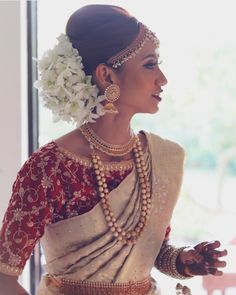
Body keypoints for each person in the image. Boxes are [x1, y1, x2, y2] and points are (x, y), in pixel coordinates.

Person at [0, 4, 227, 295]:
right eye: (149, 64)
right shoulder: (49, 168)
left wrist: (184, 261)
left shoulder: (161, 159)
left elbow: (153, 252)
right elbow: (4, 276)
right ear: (107, 76)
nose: (162, 78)